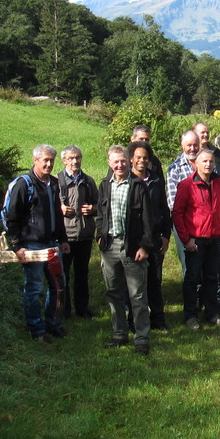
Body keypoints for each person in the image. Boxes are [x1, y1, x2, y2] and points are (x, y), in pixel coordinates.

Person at [0, 144, 70, 343]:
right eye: (45, 160)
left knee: (58, 286)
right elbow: (12, 217)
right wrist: (16, 246)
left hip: (52, 243)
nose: (48, 164)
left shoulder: (54, 184)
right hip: (31, 245)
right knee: (34, 288)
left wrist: (63, 239)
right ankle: (36, 330)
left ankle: (54, 324)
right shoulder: (24, 184)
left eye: (51, 161)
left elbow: (58, 214)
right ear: (35, 161)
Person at [96, 145, 156, 355]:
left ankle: (141, 339)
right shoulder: (105, 185)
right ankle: (119, 334)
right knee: (113, 293)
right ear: (109, 164)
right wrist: (99, 235)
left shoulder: (138, 186)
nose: (120, 165)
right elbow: (101, 213)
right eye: (116, 161)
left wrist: (146, 247)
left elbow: (149, 220)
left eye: (123, 161)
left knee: (137, 296)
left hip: (132, 248)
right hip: (110, 246)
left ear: (128, 161)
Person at [173, 148, 220, 328]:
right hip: (195, 240)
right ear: (196, 164)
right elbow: (177, 213)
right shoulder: (186, 185)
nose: (208, 165)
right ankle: (190, 315)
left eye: (211, 162)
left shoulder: (219, 182)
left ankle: (212, 313)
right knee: (192, 279)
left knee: (212, 278)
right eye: (204, 161)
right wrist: (186, 239)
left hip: (215, 239)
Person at [131, 139, 170, 329]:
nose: (142, 161)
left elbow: (164, 208)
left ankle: (158, 321)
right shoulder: (127, 180)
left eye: (145, 158)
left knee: (154, 282)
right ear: (132, 159)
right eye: (138, 157)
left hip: (154, 237)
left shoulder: (155, 179)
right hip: (133, 239)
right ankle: (134, 322)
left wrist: (166, 235)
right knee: (133, 284)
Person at [56, 145, 97, 320]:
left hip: (85, 235)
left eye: (78, 157)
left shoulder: (88, 181)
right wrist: (61, 208)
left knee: (82, 274)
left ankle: (82, 308)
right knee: (62, 275)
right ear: (64, 160)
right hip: (65, 236)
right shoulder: (56, 182)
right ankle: (64, 311)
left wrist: (92, 209)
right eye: (71, 158)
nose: (75, 161)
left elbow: (100, 206)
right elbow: (49, 208)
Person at [166, 129, 202, 271]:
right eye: (189, 145)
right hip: (184, 222)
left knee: (207, 265)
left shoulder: (208, 164)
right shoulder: (175, 168)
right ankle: (192, 293)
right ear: (182, 145)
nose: (192, 148)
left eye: (195, 145)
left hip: (205, 223)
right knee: (189, 264)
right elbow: (172, 203)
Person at [193, 120, 220, 186]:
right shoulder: (191, 153)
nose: (206, 135)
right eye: (202, 132)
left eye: (207, 132)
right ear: (195, 134)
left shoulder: (217, 153)